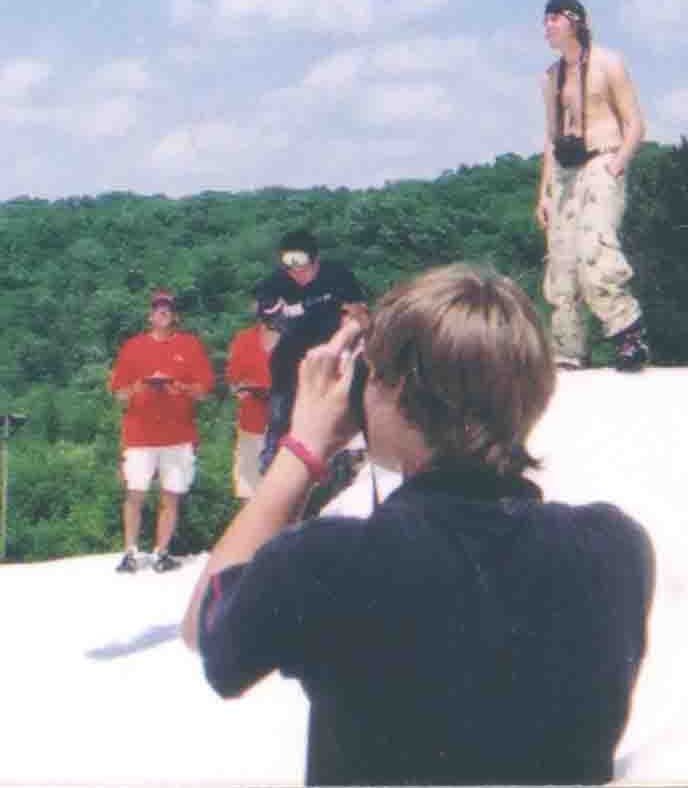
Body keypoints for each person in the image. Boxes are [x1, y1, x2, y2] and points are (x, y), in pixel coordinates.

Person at [180, 265, 657, 786]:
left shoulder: (327, 563)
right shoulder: (616, 549)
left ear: (392, 387)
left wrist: (303, 449)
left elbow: (210, 637)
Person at [536, 0, 649, 370]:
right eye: (545, 19)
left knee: (595, 249)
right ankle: (568, 351)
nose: (548, 25)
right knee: (562, 261)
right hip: (566, 172)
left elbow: (634, 122)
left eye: (554, 18)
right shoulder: (551, 77)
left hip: (602, 160)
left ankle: (627, 334)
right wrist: (545, 192)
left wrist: (617, 164)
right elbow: (551, 139)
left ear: (575, 21)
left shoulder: (608, 64)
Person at [105, 288, 214, 573]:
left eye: (167, 308)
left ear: (175, 315)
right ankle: (129, 552)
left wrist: (180, 387)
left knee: (171, 495)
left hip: (178, 436)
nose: (162, 312)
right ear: (149, 315)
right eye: (157, 308)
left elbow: (204, 392)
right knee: (135, 493)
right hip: (139, 435)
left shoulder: (190, 346)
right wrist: (138, 387)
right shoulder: (133, 347)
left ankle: (161, 552)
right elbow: (118, 393)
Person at [251, 230, 366, 476]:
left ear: (316, 261)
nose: (297, 276)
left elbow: (359, 316)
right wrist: (273, 317)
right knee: (282, 412)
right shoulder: (274, 283)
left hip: (332, 351)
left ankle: (345, 459)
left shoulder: (338, 276)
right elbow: (266, 335)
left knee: (336, 411)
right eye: (291, 271)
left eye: (304, 270)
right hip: (291, 358)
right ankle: (273, 459)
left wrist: (340, 348)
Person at [223, 304, 278, 500]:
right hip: (251, 425)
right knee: (249, 493)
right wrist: (243, 389)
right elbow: (232, 382)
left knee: (281, 496)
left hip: (284, 430)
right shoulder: (244, 340)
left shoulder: (295, 340)